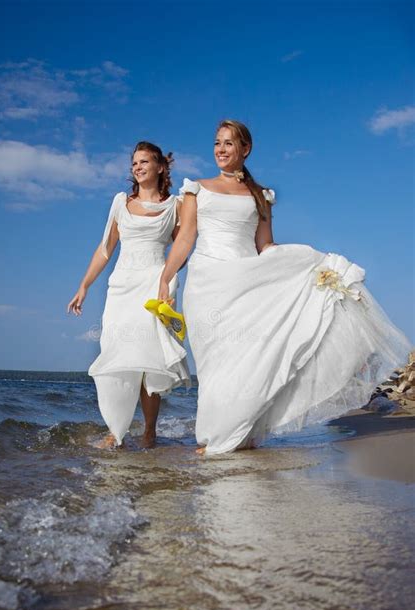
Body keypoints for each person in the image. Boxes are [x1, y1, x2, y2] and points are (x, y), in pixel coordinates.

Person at [158, 119, 413, 456]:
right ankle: (223, 431)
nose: (220, 149)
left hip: (249, 282)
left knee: (250, 357)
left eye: (229, 143)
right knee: (215, 362)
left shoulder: (260, 196)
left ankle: (233, 433)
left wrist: (306, 263)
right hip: (207, 285)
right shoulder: (197, 189)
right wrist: (165, 277)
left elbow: (265, 246)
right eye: (217, 142)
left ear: (245, 149)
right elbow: (187, 237)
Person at [68, 142, 191, 449]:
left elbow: (182, 249)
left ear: (160, 166)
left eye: (144, 162)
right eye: (134, 163)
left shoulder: (174, 205)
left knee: (149, 360)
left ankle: (149, 432)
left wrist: (168, 279)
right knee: (118, 353)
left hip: (155, 285)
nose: (137, 167)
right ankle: (116, 430)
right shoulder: (121, 202)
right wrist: (84, 285)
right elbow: (105, 249)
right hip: (122, 287)